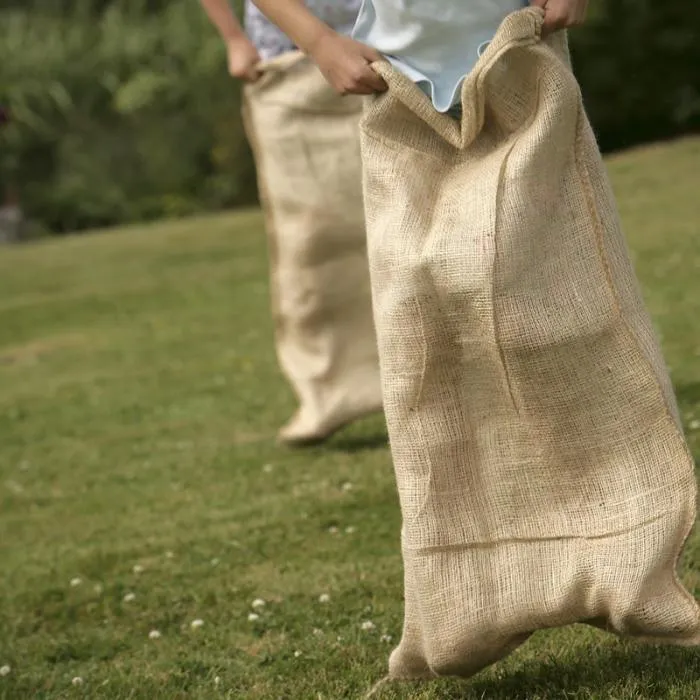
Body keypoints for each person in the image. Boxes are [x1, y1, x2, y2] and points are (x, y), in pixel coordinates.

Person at [252, 0, 700, 687]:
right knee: (428, 347)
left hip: (525, 56)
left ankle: (625, 558)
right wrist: (315, 40)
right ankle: (465, 597)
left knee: (562, 318)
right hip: (392, 82)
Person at [199, 0, 382, 446]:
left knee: (410, 230)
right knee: (312, 241)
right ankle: (327, 393)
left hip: (389, 45)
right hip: (285, 55)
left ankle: (433, 378)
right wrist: (234, 39)